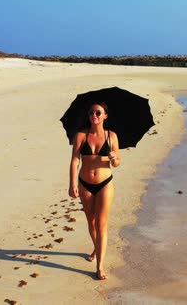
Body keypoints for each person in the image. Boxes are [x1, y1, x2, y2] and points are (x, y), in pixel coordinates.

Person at [68, 102, 120, 280]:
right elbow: (75, 160)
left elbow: (117, 162)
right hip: (84, 183)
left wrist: (114, 159)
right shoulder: (81, 135)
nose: (94, 115)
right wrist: (72, 183)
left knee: (101, 223)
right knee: (91, 222)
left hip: (105, 183)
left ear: (105, 115)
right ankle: (96, 247)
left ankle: (100, 266)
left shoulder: (111, 136)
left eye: (98, 112)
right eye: (91, 112)